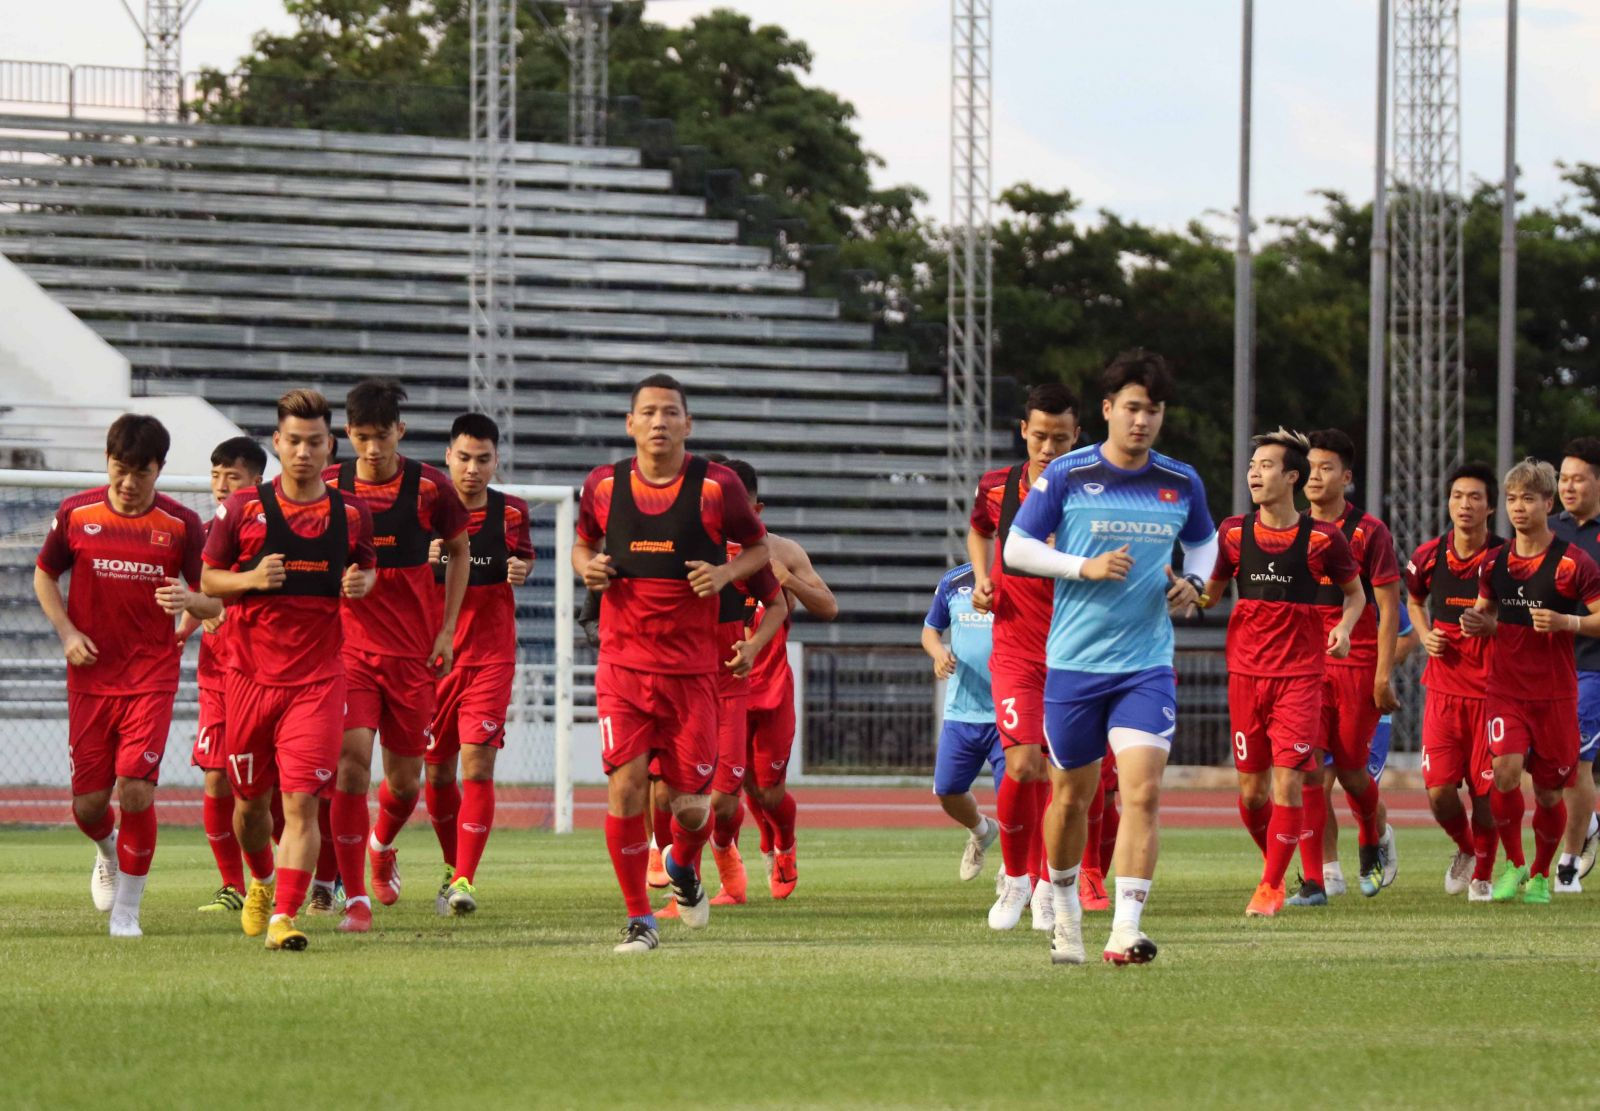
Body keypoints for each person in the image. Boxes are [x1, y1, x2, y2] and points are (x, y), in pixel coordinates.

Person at [1004, 350, 1217, 966]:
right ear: (1107, 411)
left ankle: (1126, 928)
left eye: (1152, 410)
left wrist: (1195, 586)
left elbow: (1203, 545)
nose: (1142, 420)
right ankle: (1064, 906)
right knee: (1072, 798)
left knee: (1143, 791)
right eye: (1131, 407)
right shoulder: (1068, 473)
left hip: (1146, 663)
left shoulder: (1180, 480)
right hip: (1073, 663)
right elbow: (1016, 548)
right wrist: (1083, 566)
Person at [573, 374, 771, 953]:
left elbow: (757, 548)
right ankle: (640, 917)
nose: (658, 422)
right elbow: (583, 543)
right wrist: (586, 566)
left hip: (693, 675)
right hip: (623, 667)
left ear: (688, 424)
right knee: (627, 789)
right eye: (648, 412)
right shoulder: (603, 485)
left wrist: (726, 574)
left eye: (670, 412)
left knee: (690, 811)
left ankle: (683, 868)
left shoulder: (717, 486)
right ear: (630, 423)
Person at [200, 389, 377, 950]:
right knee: (250, 807)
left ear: (332, 446)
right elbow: (207, 580)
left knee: (302, 803)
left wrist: (360, 583)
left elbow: (367, 568)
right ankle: (259, 880)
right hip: (248, 679)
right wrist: (250, 579)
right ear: (277, 443)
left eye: (316, 442)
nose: (304, 451)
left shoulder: (351, 514)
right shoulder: (242, 508)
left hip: (319, 681)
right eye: (294, 441)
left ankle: (284, 916)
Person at [33, 414, 212, 938]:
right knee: (89, 806)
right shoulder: (76, 512)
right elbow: (44, 574)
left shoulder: (181, 523)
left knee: (135, 789)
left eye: (141, 472)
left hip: (151, 677)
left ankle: (127, 910)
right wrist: (67, 632)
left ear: (159, 469)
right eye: (120, 469)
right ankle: (106, 850)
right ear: (107, 463)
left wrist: (187, 615)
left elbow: (210, 592)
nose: (129, 483)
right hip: (91, 677)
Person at [326, 379, 470, 933]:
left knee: (407, 782)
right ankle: (354, 897)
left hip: (412, 654)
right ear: (347, 434)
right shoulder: (330, 485)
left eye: (381, 436)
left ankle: (382, 846)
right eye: (361, 437)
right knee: (350, 768)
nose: (371, 448)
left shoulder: (431, 488)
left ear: (399, 433)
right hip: (347, 652)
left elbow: (459, 552)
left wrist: (448, 629)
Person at [1201, 428, 1362, 919]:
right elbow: (1210, 593)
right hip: (1246, 676)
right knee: (1252, 796)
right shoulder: (1232, 533)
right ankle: (1279, 860)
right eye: (1252, 464)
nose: (1254, 471)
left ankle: (1271, 887)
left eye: (1267, 464)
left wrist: (1346, 629)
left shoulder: (1321, 538)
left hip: (1299, 677)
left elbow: (1355, 593)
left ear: (1294, 476)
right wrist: (1182, 592)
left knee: (1289, 783)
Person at [965, 384, 1081, 930]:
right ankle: (1015, 879)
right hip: (1015, 646)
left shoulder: (1090, 491)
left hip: (1077, 650)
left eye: (1060, 437)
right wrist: (983, 578)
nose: (1049, 447)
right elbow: (977, 530)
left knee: (1062, 777)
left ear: (1078, 436)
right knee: (1021, 763)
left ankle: (1046, 882)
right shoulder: (998, 486)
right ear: (1024, 432)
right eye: (1040, 436)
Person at [1461, 458, 1600, 905]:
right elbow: (1486, 612)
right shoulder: (1495, 562)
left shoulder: (1572, 563)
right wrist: (1475, 622)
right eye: (1512, 499)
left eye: (1528, 499)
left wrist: (1567, 621)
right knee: (1503, 773)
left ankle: (1541, 874)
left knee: (1547, 789)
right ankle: (1514, 864)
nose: (1518, 508)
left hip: (1558, 693)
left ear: (1548, 501)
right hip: (1506, 689)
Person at [421, 413, 535, 915]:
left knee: (478, 764)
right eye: (463, 457)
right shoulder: (424, 509)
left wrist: (521, 568)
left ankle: (465, 878)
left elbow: (525, 557)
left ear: (496, 461)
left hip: (491, 655)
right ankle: (440, 863)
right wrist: (422, 561)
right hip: (433, 658)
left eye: (483, 459)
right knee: (436, 773)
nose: (472, 468)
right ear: (448, 456)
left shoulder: (511, 512)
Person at [1296, 430, 1401, 902]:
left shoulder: (1369, 531)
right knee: (1310, 772)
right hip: (1305, 666)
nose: (1316, 476)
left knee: (1354, 772)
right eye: (1310, 468)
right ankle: (1321, 877)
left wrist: (1382, 674)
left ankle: (1373, 839)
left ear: (1347, 476)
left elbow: (1388, 607)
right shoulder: (1291, 528)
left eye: (1327, 468)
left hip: (1356, 663)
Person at [727, 460, 836, 900]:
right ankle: (723, 879)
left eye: (739, 506)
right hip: (719, 690)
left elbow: (828, 608)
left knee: (767, 792)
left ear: (757, 507)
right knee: (729, 788)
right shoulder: (700, 550)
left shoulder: (783, 551)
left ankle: (783, 844)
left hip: (770, 690)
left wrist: (789, 580)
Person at [1404, 462, 1504, 900]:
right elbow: (1412, 600)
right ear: (1449, 502)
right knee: (1440, 793)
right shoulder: (1427, 556)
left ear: (1491, 507)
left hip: (1491, 694)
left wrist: (1492, 629)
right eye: (1458, 496)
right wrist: (1426, 635)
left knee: (1487, 794)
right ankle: (1466, 849)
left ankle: (1483, 871)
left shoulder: (1506, 559)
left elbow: (1522, 619)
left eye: (1475, 497)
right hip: (1443, 691)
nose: (1465, 505)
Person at [179, 436, 268, 914]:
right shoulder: (211, 530)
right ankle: (233, 884)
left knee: (269, 791)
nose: (220, 486)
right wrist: (187, 622)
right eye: (215, 476)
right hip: (217, 673)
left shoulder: (274, 528)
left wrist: (215, 603)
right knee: (216, 779)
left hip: (263, 673)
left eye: (231, 477)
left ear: (255, 481)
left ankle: (315, 878)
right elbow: (201, 590)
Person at [1319, 601, 1419, 894]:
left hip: (1367, 701)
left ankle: (1381, 835)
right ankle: (1330, 872)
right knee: (1317, 785)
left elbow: (1408, 635)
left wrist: (1379, 670)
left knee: (1356, 787)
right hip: (1324, 694)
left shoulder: (1371, 589)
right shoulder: (1314, 579)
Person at [922, 563, 1003, 882]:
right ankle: (982, 832)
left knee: (1014, 797)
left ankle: (1015, 872)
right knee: (947, 790)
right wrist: (938, 653)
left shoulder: (1026, 575)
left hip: (1009, 711)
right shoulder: (954, 581)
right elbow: (930, 630)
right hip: (961, 710)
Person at [1552, 437, 1600, 890]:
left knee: (1575, 763)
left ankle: (1567, 865)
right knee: (1536, 765)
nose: (1568, 486)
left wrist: (1568, 621)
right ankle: (1585, 823)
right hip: (1541, 672)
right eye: (1563, 478)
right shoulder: (1546, 531)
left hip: (1591, 669)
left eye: (1577, 479)